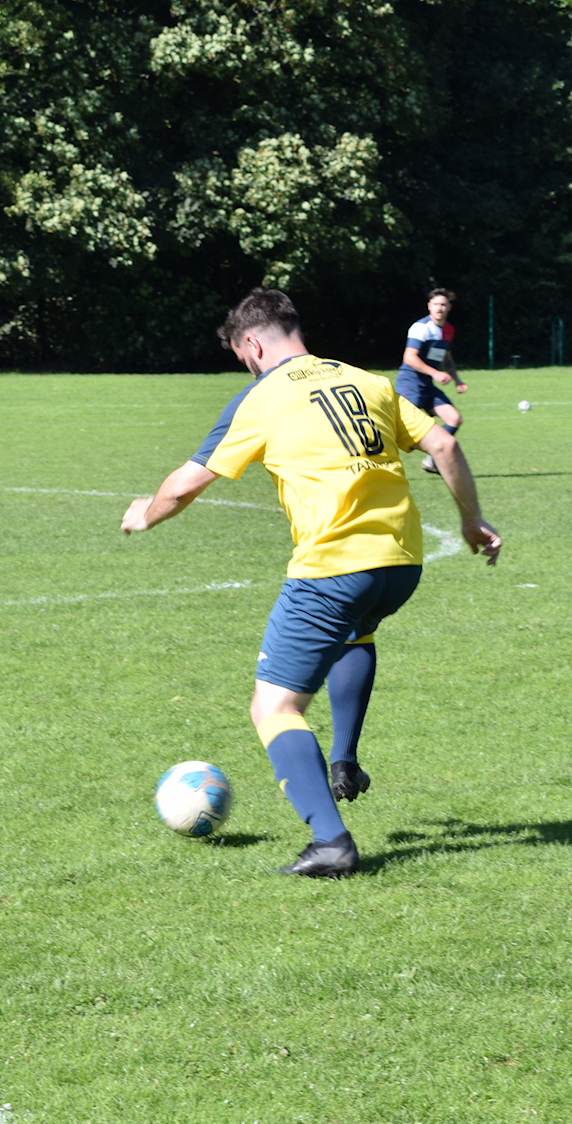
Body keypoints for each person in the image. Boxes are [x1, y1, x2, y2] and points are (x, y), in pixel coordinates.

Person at [123, 289, 501, 877]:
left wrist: (145, 511)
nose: (245, 367)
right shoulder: (369, 381)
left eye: (241, 357)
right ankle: (344, 760)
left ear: (252, 343)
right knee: (355, 633)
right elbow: (443, 443)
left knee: (272, 705)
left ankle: (330, 842)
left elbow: (186, 485)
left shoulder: (262, 396)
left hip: (332, 568)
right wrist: (472, 522)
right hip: (400, 563)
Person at [397, 288, 468, 474]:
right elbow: (409, 358)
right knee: (398, 430)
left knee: (454, 418)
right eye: (436, 304)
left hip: (427, 385)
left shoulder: (449, 330)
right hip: (410, 383)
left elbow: (447, 357)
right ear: (429, 306)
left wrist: (457, 380)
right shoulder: (421, 327)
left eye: (443, 304)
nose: (439, 308)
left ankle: (432, 460)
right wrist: (435, 373)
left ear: (449, 307)